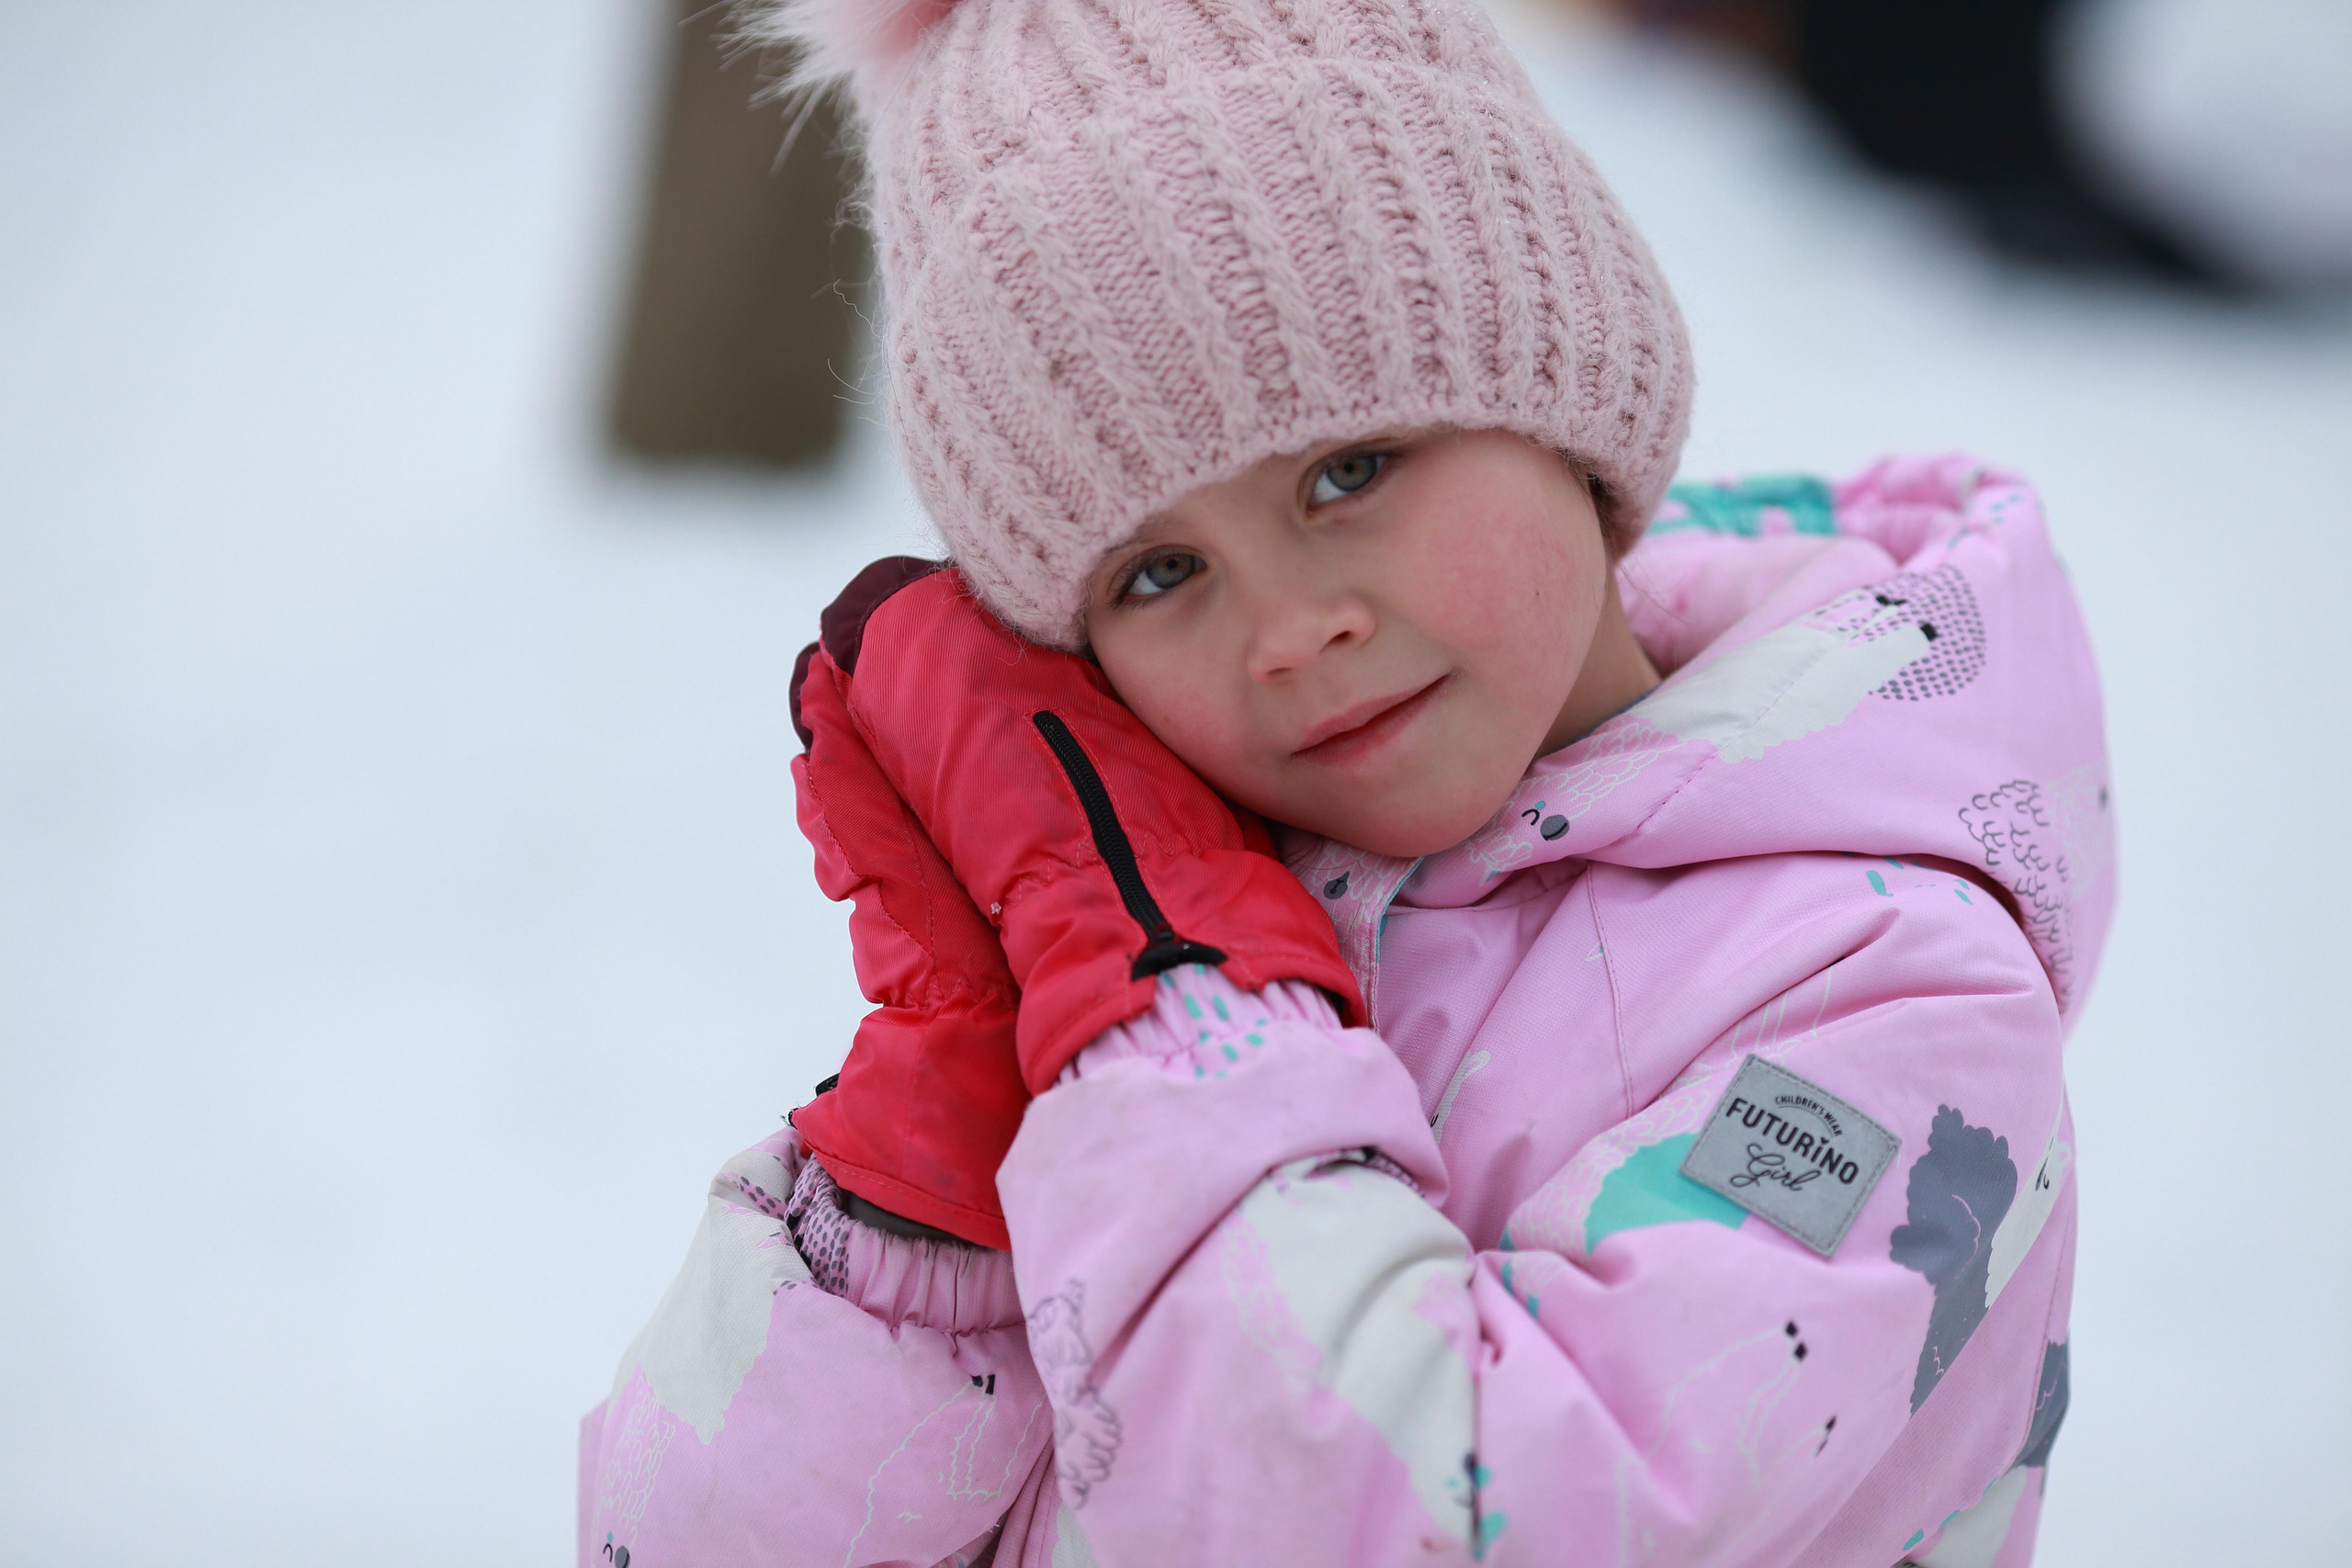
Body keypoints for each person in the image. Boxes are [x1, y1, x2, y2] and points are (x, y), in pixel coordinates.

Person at [576, 0, 2112, 1561]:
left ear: (1562, 398)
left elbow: (1460, 1518)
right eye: (1162, 570)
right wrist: (932, 1174)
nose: (1293, 630)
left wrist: (1179, 1003)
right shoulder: (1156, 934)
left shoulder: (1883, 996)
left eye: (1347, 472)